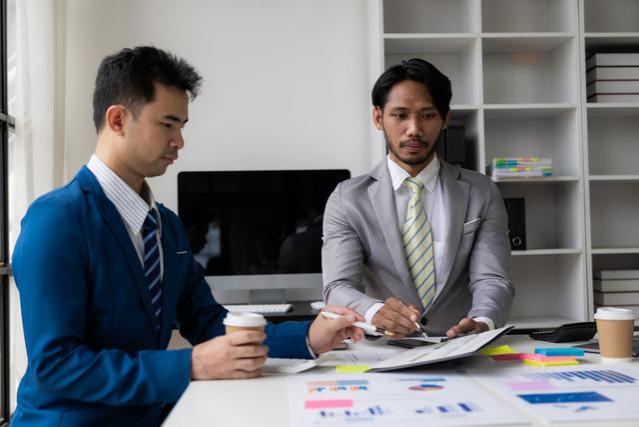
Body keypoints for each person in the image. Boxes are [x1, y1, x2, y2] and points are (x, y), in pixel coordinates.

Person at [11, 46, 364, 426]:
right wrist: (191, 364)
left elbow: (211, 323)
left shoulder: (167, 226)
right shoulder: (56, 221)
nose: (180, 141)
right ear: (117, 120)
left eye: (182, 126)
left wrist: (312, 336)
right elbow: (56, 365)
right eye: (168, 124)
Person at [322, 58, 514, 338]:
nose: (414, 129)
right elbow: (338, 286)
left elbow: (493, 278)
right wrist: (376, 311)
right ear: (379, 118)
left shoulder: (482, 191)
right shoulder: (347, 198)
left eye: (427, 115)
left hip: (462, 346)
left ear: (445, 118)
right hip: (381, 351)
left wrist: (483, 320)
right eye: (400, 115)